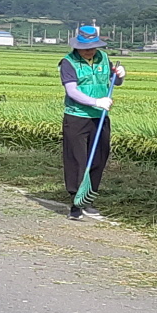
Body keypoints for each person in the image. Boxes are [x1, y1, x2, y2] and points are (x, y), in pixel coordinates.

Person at [59, 24, 123, 219]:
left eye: (93, 48)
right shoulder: (68, 62)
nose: (90, 51)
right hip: (77, 117)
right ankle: (76, 203)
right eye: (86, 48)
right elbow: (72, 91)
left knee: (98, 158)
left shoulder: (103, 58)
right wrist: (96, 101)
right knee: (77, 161)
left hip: (100, 117)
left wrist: (119, 74)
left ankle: (89, 199)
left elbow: (114, 81)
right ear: (77, 46)